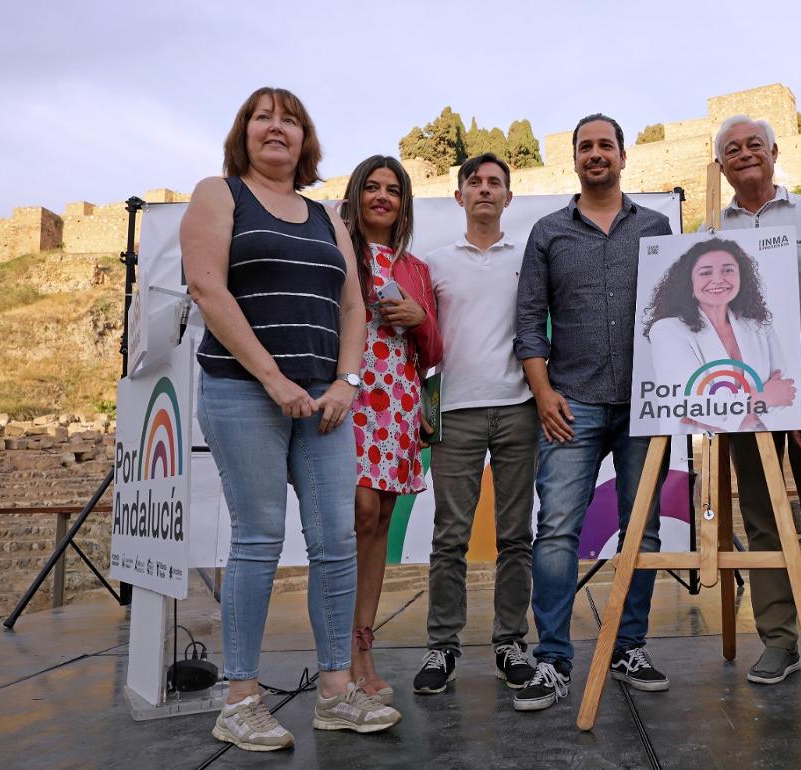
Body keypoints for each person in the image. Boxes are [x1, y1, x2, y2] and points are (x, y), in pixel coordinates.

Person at [182, 87, 401, 752]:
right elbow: (207, 289)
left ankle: (336, 693)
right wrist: (273, 378)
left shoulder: (326, 216)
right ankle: (241, 699)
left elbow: (354, 309)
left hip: (324, 403)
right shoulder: (219, 195)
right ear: (242, 132)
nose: (276, 128)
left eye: (290, 120)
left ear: (306, 139)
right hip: (243, 392)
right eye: (262, 117)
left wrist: (347, 381)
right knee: (259, 537)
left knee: (337, 539)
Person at [512, 113, 674, 712]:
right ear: (574, 159)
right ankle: (551, 659)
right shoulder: (548, 232)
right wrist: (543, 392)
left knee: (644, 532)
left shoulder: (658, 227)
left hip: (646, 403)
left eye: (606, 145)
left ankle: (629, 645)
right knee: (556, 533)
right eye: (586, 146)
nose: (596, 154)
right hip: (570, 404)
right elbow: (528, 322)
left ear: (624, 157)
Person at [710, 114, 801, 687]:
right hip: (748, 401)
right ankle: (778, 641)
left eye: (753, 145)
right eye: (732, 150)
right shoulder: (712, 231)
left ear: (773, 151)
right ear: (721, 166)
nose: (744, 155)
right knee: (763, 518)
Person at [415, 153, 537, 695]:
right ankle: (442, 647)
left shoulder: (530, 258)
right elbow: (418, 342)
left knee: (516, 537)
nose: (485, 190)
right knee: (450, 538)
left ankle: (510, 642)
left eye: (495, 183)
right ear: (459, 194)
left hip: (519, 409)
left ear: (509, 197)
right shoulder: (433, 264)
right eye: (475, 182)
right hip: (456, 412)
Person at [339, 155, 442, 705]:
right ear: (356, 195)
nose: (382, 197)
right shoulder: (335, 252)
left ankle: (363, 650)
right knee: (357, 513)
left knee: (379, 520)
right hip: (349, 397)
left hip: (399, 400)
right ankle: (340, 656)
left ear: (403, 204)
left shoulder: (416, 268)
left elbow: (434, 351)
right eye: (372, 187)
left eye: (393, 190)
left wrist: (419, 320)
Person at [641, 237, 796, 434]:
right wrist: (764, 397)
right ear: (689, 282)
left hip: (755, 440)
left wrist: (727, 418)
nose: (718, 279)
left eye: (728, 270)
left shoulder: (758, 325)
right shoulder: (667, 330)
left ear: (742, 277)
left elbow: (785, 391)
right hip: (691, 446)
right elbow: (691, 405)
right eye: (706, 272)